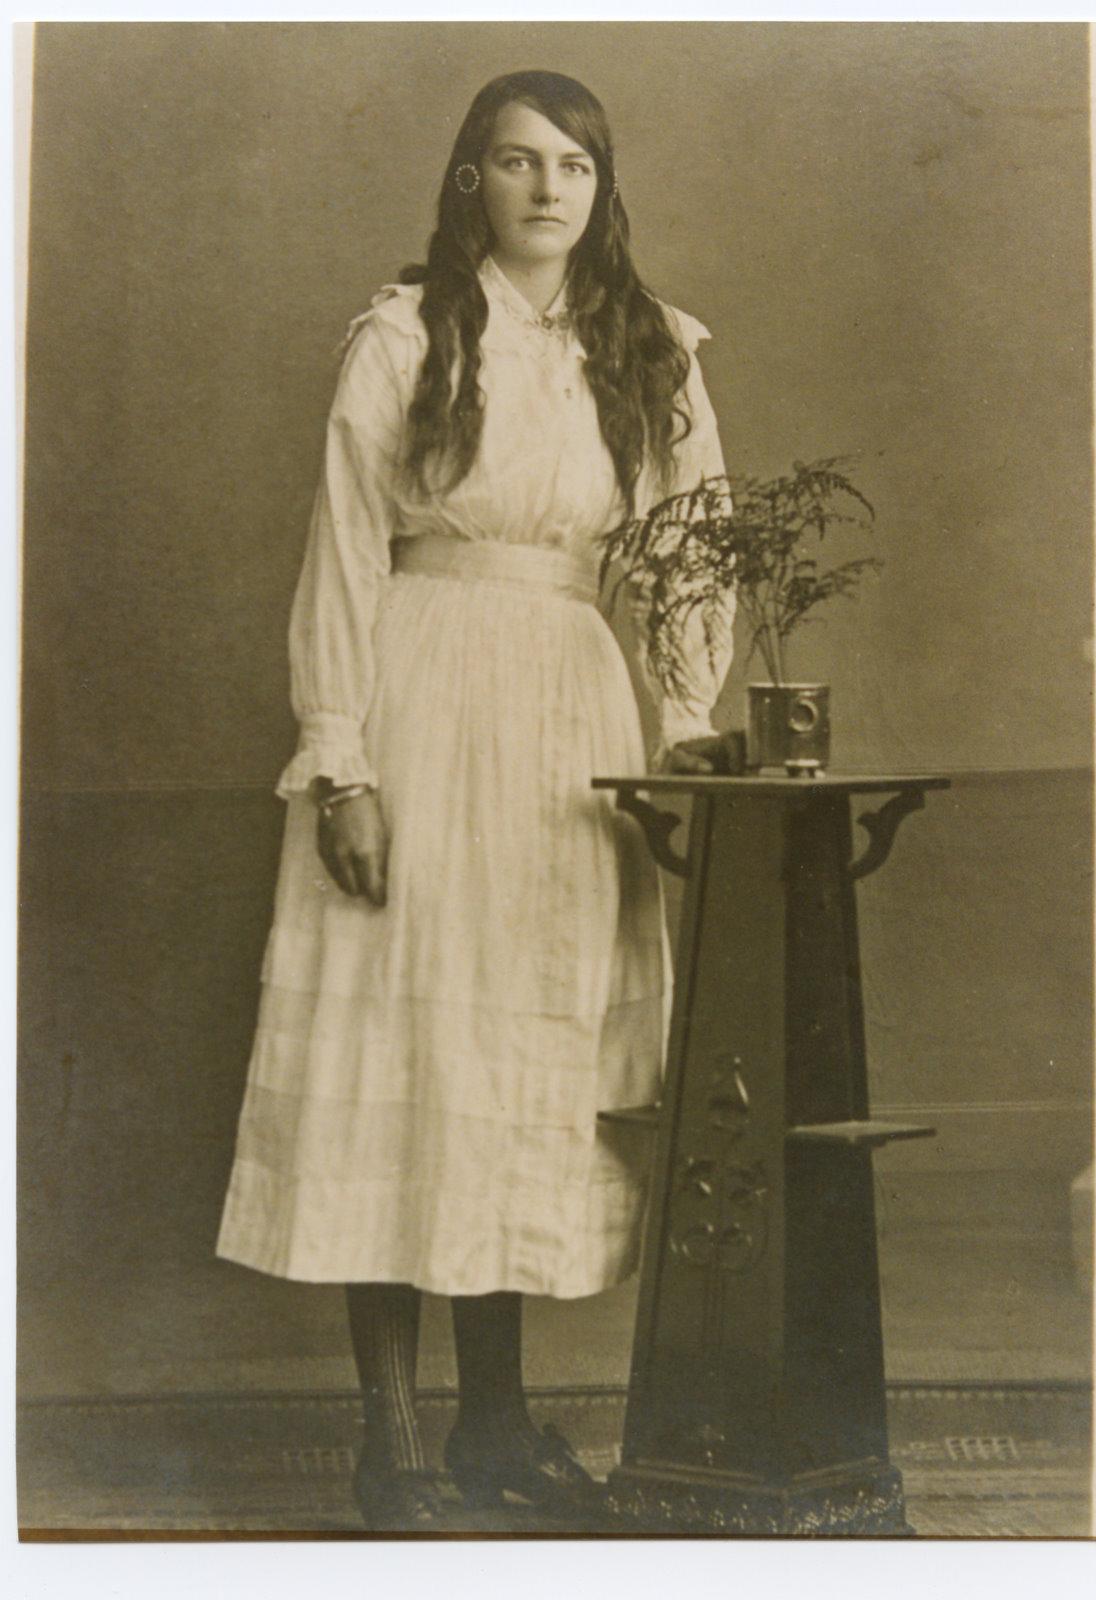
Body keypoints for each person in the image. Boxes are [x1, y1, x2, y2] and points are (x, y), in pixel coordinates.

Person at [216, 68, 736, 1530]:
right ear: (470, 182)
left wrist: (685, 720)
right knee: (405, 1051)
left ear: (601, 184)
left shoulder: (653, 349)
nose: (545, 187)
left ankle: (495, 1430)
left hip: (573, 712)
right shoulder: (404, 337)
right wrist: (342, 762)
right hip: (419, 692)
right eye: (514, 161)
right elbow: (340, 556)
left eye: (572, 162)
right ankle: (390, 1444)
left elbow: (693, 547)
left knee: (523, 1067)